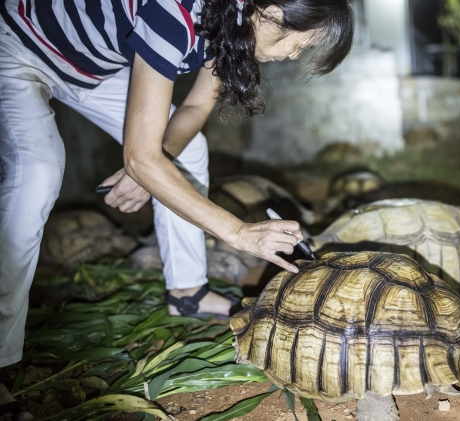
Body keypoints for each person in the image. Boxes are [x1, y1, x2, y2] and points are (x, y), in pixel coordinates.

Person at [0, 0, 354, 417]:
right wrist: (238, 232)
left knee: (188, 149)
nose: (294, 56)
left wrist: (148, 164)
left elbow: (193, 109)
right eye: (299, 44)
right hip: (19, 48)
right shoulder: (175, 12)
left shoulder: (228, 24)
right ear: (272, 12)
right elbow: (141, 157)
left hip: (92, 69)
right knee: (36, 171)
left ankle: (187, 292)